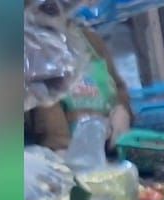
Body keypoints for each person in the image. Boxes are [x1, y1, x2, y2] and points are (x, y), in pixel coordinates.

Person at [25, 17, 132, 153]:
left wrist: (122, 111)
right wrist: (63, 148)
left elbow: (119, 87)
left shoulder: (91, 40)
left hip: (110, 149)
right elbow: (47, 116)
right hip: (67, 156)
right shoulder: (32, 48)